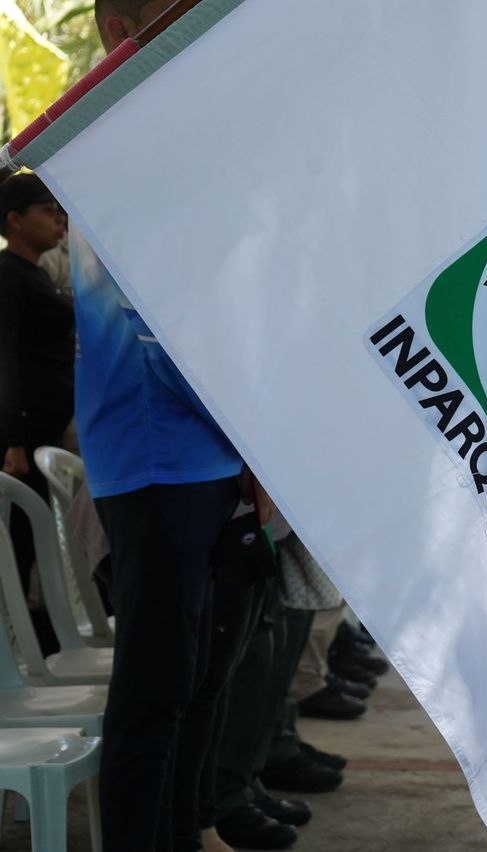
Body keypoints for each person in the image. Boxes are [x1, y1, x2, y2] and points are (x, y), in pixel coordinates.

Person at [78, 3, 249, 849]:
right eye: (165, 10)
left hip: (200, 455)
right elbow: (157, 328)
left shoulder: (170, 122)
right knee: (152, 688)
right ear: (120, 25)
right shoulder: (112, 131)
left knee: (193, 677)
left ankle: (181, 831)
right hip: (159, 456)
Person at [0, 173, 72, 648]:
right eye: (47, 210)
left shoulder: (35, 272)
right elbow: (3, 356)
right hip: (22, 435)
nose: (59, 219)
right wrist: (13, 439)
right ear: (15, 220)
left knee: (32, 537)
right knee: (17, 541)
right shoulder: (7, 274)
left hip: (44, 426)